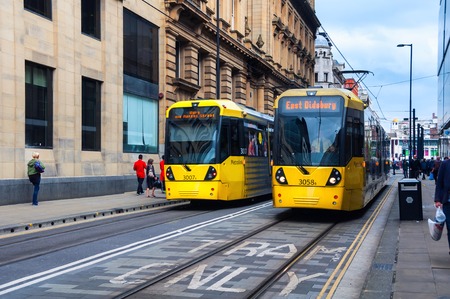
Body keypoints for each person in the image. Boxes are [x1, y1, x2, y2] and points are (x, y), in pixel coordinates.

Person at [434, 157, 450, 255]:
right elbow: (439, 183)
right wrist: (438, 200)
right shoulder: (445, 164)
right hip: (448, 202)